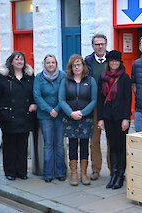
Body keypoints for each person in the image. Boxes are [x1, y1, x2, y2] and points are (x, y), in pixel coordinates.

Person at [0, 51, 37, 181]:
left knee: (22, 146)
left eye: (21, 59)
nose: (19, 62)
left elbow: (36, 93)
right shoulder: (3, 77)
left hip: (25, 116)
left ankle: (22, 171)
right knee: (10, 146)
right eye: (17, 59)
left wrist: (34, 104)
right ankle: (10, 171)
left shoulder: (29, 76)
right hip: (7, 116)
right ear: (11, 62)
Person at [59, 54, 97, 186]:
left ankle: (84, 174)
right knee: (73, 145)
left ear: (83, 66)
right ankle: (74, 174)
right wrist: (71, 113)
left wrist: (82, 112)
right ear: (70, 67)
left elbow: (94, 100)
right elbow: (61, 100)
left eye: (79, 64)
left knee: (85, 146)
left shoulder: (90, 80)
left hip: (86, 118)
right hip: (70, 119)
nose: (76, 67)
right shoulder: (65, 81)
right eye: (74, 65)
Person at [97, 50, 131, 189]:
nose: (114, 63)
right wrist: (100, 118)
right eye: (112, 61)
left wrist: (126, 118)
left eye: (116, 61)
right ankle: (114, 174)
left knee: (121, 147)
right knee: (112, 146)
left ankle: (120, 175)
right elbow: (100, 99)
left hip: (120, 117)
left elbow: (128, 99)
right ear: (108, 62)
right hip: (108, 117)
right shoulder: (103, 77)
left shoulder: (125, 78)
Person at [33, 54, 67, 183]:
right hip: (45, 116)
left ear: (56, 64)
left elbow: (64, 94)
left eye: (53, 62)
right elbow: (37, 96)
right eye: (48, 63)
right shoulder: (39, 78)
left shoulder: (63, 76)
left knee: (59, 144)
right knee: (48, 144)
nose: (50, 65)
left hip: (60, 115)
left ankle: (61, 172)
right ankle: (48, 173)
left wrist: (57, 109)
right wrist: (49, 110)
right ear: (44, 64)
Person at [85, 34, 110, 180]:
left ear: (106, 44)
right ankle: (96, 169)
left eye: (102, 44)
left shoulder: (113, 60)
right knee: (94, 139)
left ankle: (113, 168)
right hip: (94, 104)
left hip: (110, 104)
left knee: (112, 139)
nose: (100, 47)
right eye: (97, 44)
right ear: (93, 46)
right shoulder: (87, 61)